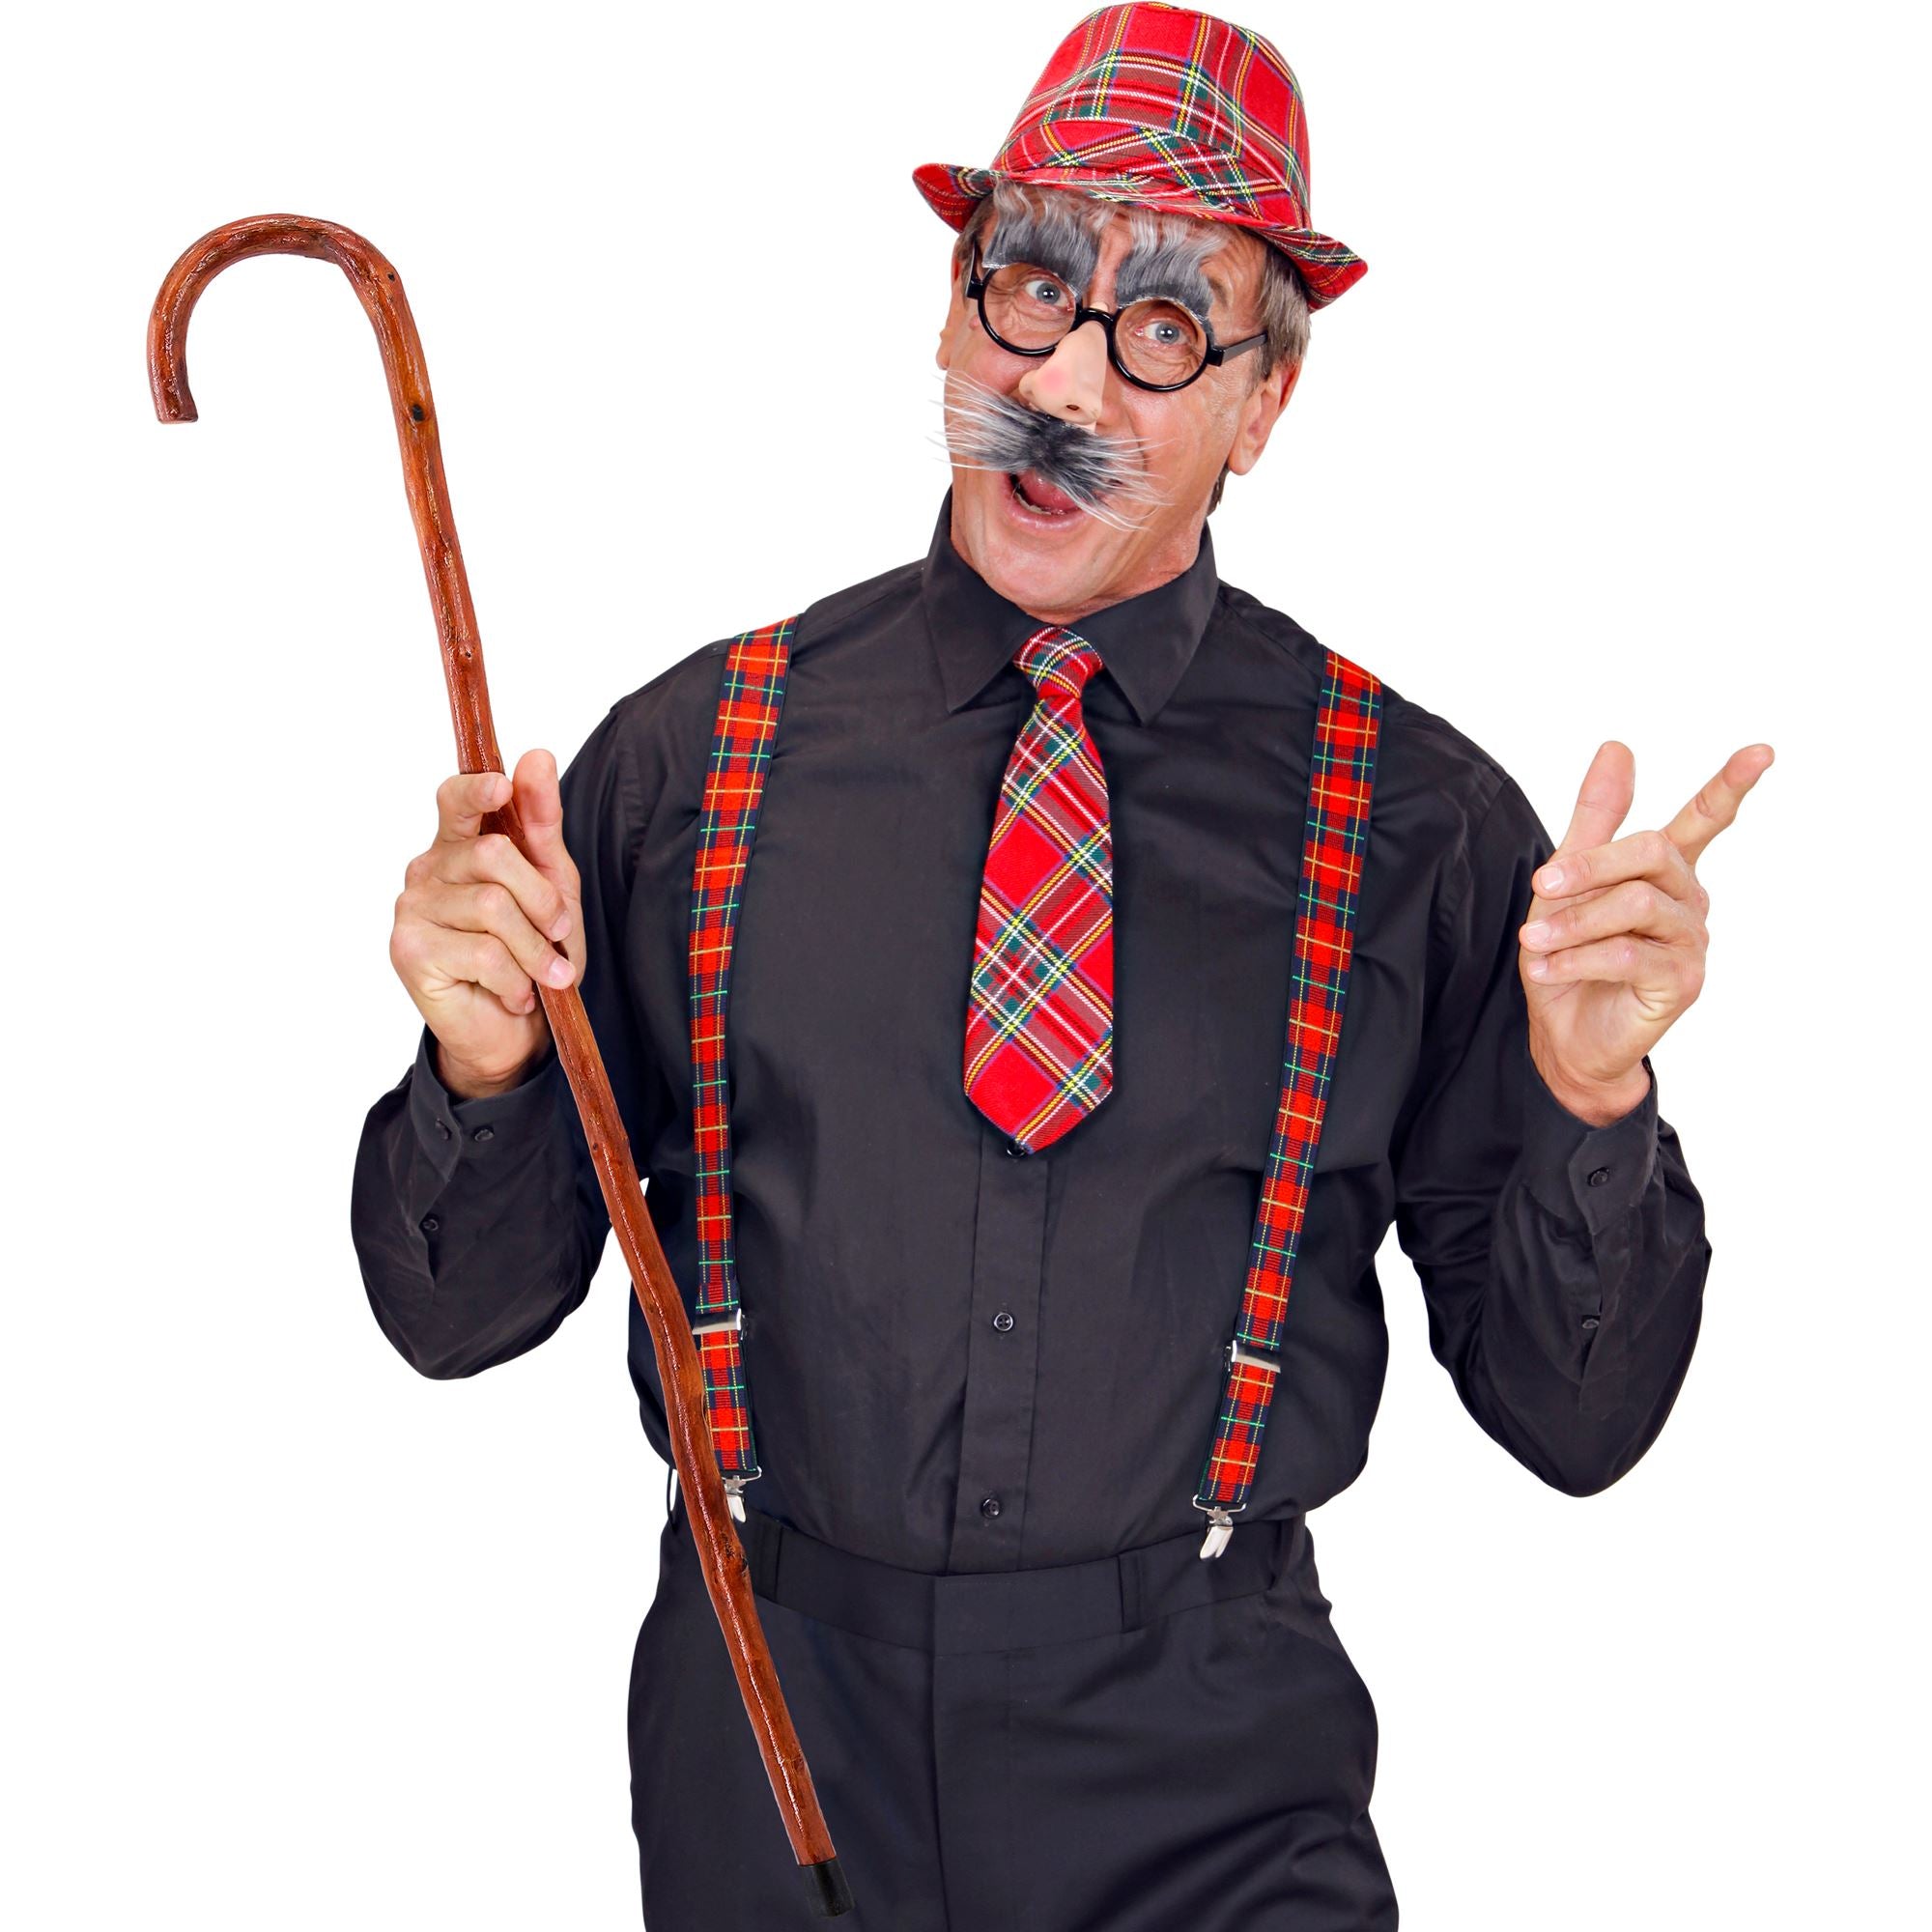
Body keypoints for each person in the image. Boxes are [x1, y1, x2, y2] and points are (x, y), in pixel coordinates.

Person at [352, 6, 1769, 1925]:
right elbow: (454, 1319)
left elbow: (1577, 1427)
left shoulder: (1421, 831)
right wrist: (481, 1071)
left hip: (1209, 1764)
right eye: (1028, 287)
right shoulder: (684, 770)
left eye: (1166, 325)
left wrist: (1594, 1101)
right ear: (949, 320)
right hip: (770, 1737)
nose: (1068, 383)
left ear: (1265, 404)